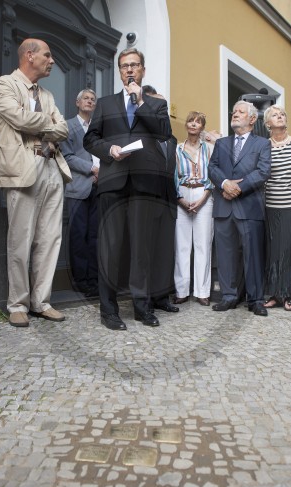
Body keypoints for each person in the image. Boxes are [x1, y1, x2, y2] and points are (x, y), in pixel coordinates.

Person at [83, 48, 172, 330]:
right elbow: (90, 139)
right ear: (119, 71)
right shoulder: (106, 104)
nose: (129, 70)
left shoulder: (156, 104)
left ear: (143, 70)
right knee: (109, 248)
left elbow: (162, 133)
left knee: (142, 248)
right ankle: (108, 310)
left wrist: (142, 101)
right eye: (124, 66)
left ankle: (142, 307)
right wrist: (109, 149)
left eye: (134, 65)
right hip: (113, 180)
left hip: (145, 183)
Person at [0, 38, 72, 327]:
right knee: (20, 240)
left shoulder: (47, 94)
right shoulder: (4, 85)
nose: (52, 61)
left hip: (52, 167)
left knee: (50, 239)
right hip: (24, 169)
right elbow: (17, 118)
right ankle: (17, 304)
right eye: (47, 55)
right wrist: (47, 124)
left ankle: (42, 302)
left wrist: (43, 124)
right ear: (29, 55)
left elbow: (63, 129)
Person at [208, 100, 271, 316]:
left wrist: (238, 187)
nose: (235, 114)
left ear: (252, 119)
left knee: (253, 254)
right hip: (224, 207)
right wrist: (225, 184)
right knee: (225, 254)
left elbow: (263, 172)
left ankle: (255, 299)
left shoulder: (262, 144)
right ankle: (229, 296)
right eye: (234, 111)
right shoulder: (221, 143)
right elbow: (212, 167)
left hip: (250, 206)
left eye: (240, 112)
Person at [142, 86, 179, 314]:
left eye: (164, 106)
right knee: (145, 252)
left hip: (168, 201)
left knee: (165, 252)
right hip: (146, 200)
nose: (163, 110)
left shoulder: (172, 139)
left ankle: (161, 297)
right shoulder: (141, 136)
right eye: (159, 106)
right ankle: (143, 299)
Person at [60, 89, 99, 298]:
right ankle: (80, 282)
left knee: (95, 236)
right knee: (78, 236)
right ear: (77, 102)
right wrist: (91, 169)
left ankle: (94, 280)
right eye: (86, 98)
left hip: (98, 187)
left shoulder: (98, 128)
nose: (90, 101)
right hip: (78, 188)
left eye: (93, 99)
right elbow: (66, 156)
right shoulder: (67, 126)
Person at [173, 112, 214, 306]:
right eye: (190, 120)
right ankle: (181, 291)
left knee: (203, 245)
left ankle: (202, 292)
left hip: (203, 194)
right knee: (181, 245)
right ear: (186, 125)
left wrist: (203, 199)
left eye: (198, 122)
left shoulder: (210, 149)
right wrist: (180, 199)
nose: (193, 124)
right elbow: (173, 175)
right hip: (182, 193)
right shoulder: (177, 148)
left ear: (202, 127)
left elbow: (213, 175)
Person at [263, 105, 291, 311]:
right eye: (275, 115)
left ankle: (288, 293)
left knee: (288, 250)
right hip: (270, 205)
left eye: (282, 114)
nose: (280, 116)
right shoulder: (264, 147)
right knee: (273, 250)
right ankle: (274, 293)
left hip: (289, 204)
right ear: (267, 124)